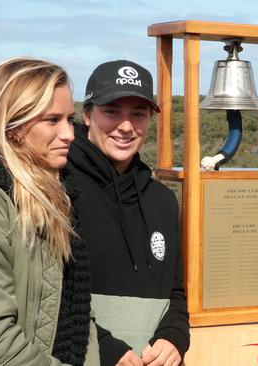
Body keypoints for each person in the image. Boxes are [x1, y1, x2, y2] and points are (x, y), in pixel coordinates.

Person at [65, 60, 189, 366]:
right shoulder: (59, 190)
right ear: (86, 115)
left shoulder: (162, 200)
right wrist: (105, 348)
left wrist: (174, 337)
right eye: (111, 111)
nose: (126, 126)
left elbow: (175, 293)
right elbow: (50, 298)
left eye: (138, 114)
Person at [0, 58, 99, 365]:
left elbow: (82, 315)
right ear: (13, 126)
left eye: (69, 119)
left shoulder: (57, 196)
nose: (70, 134)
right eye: (52, 120)